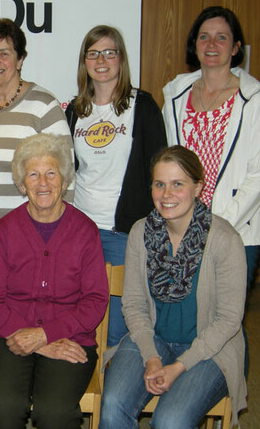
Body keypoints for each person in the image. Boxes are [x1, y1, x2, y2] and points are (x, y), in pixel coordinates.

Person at [99, 146, 246, 429]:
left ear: (198, 187)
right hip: (152, 339)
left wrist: (180, 366)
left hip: (211, 349)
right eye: (160, 184)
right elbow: (133, 304)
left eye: (178, 184)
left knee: (171, 420)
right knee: (113, 403)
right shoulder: (141, 232)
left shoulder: (225, 240)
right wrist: (151, 358)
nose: (167, 195)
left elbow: (228, 320)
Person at [0, 133, 108, 429]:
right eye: (34, 175)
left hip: (71, 336)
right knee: (3, 408)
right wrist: (36, 340)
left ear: (64, 180)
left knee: (55, 413)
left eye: (51, 173)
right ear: (22, 183)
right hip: (7, 334)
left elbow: (95, 301)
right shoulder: (4, 230)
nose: (43, 183)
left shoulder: (86, 231)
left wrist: (44, 334)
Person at [65, 25, 167, 346]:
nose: (102, 60)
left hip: (124, 232)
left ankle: (113, 389)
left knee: (120, 327)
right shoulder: (74, 110)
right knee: (82, 316)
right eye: (93, 53)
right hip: (81, 231)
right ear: (84, 62)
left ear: (121, 59)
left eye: (110, 52)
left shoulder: (142, 105)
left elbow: (159, 168)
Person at [163, 6, 260, 290]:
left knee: (225, 319)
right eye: (204, 37)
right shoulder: (175, 96)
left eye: (221, 37)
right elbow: (171, 166)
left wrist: (214, 227)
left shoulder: (253, 100)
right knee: (190, 316)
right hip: (181, 227)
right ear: (194, 45)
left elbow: (257, 176)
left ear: (235, 47)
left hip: (236, 228)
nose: (212, 44)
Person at [0, 18, 73, 230]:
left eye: (4, 53)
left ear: (20, 60)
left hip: (24, 236)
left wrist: (59, 232)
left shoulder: (43, 106)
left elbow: (66, 177)